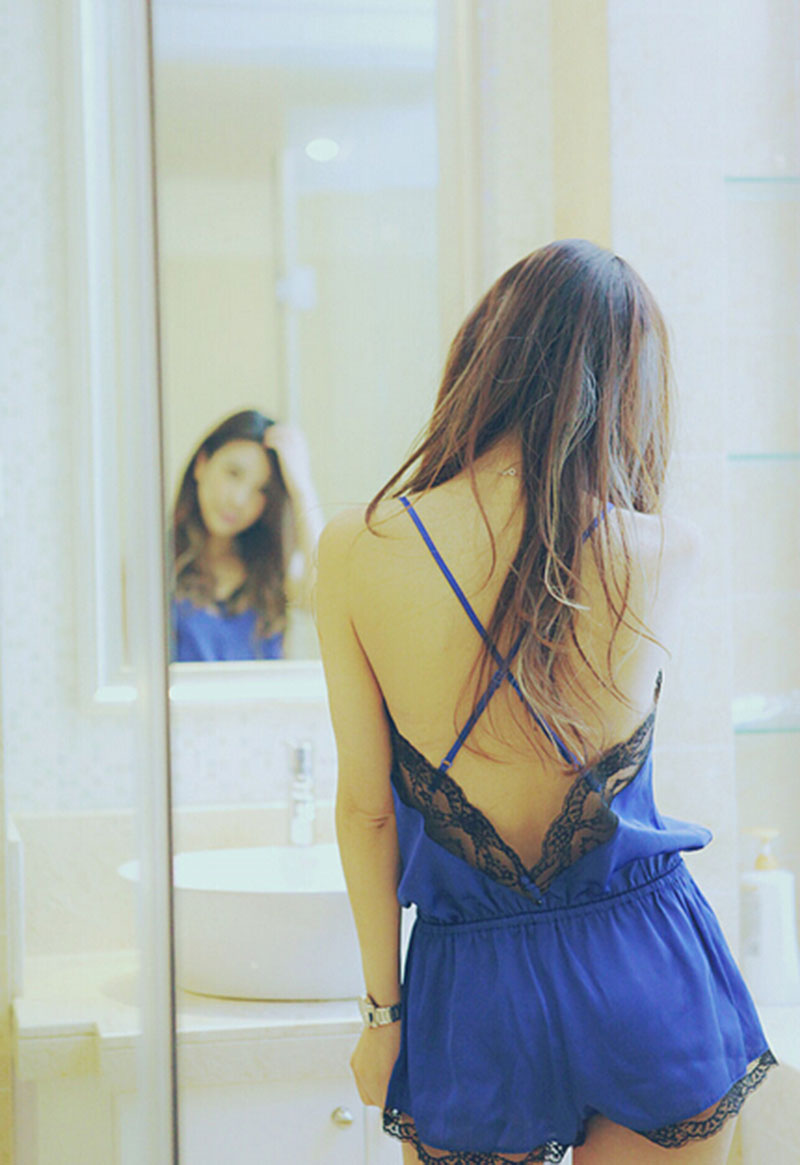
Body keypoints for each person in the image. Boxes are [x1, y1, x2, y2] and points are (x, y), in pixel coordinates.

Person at [314, 239, 777, 1164]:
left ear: (484, 353)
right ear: (629, 385)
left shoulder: (357, 549)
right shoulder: (665, 549)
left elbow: (367, 812)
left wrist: (382, 1018)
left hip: (472, 994)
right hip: (647, 966)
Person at [170, 409, 321, 662]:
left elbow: (329, 601)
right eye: (233, 473)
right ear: (202, 464)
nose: (239, 500)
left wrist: (302, 488)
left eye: (260, 490)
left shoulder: (274, 572)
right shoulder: (156, 567)